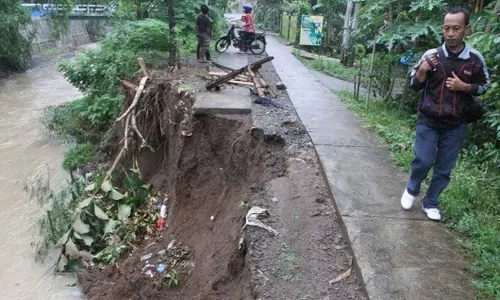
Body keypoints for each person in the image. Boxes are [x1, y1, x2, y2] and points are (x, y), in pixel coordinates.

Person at [400, 7, 489, 221]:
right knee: (423, 159)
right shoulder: (431, 55)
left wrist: (465, 86)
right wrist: (422, 70)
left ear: (467, 30)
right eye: (447, 28)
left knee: (444, 168)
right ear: (443, 29)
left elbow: (485, 85)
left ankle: (431, 203)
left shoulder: (475, 59)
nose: (450, 33)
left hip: (457, 123)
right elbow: (414, 84)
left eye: (456, 28)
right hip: (428, 120)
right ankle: (412, 188)